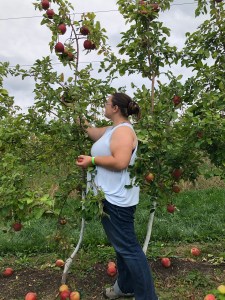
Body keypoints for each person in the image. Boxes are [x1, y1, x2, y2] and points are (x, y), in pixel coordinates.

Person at [76, 92, 158, 300]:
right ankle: (126, 286)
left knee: (129, 249)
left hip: (117, 200)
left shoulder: (123, 131)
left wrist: (92, 160)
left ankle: (147, 297)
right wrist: (74, 107)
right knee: (122, 247)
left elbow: (120, 162)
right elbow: (90, 131)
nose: (104, 106)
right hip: (109, 197)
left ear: (115, 108)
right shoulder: (112, 130)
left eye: (106, 103)